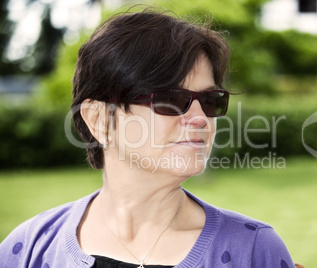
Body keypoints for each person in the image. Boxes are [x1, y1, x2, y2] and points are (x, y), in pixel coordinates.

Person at [0, 7, 297, 268]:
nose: (200, 119)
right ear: (99, 120)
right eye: (170, 99)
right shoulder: (30, 249)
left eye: (210, 100)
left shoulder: (254, 251)